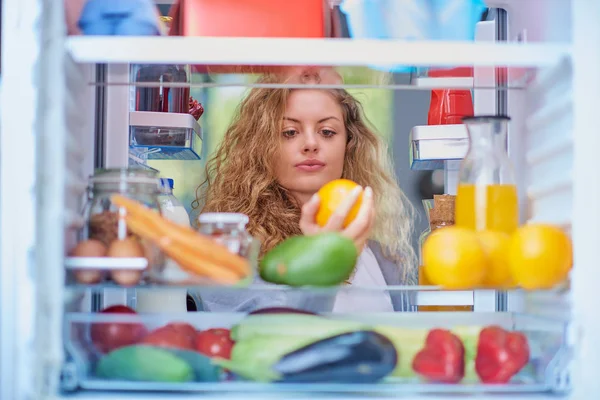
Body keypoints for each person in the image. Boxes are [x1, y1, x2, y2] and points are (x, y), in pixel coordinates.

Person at [190, 69, 417, 313]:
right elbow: (263, 338)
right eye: (289, 132)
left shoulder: (381, 260)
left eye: (327, 132)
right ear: (261, 146)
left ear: (349, 144)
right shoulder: (234, 252)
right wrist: (324, 268)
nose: (310, 144)